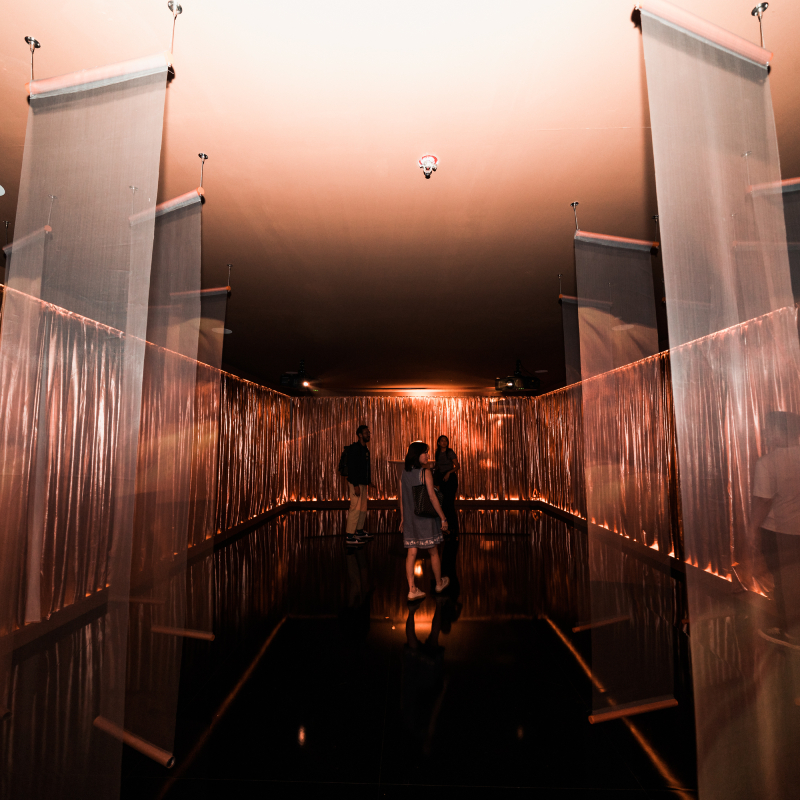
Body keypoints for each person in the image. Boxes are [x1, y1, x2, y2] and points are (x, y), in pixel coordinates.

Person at [749, 411, 800, 649]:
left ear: (782, 432)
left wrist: (752, 530)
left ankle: (791, 634)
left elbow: (763, 502)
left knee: (784, 582)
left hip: (781, 532)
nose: (765, 433)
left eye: (769, 429)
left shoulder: (768, 463)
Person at [399, 441, 449, 601]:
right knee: (433, 551)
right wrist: (443, 518)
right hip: (425, 519)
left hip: (410, 519)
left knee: (411, 553)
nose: (428, 455)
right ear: (417, 455)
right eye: (425, 452)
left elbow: (402, 498)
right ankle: (439, 583)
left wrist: (403, 518)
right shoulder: (425, 472)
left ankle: (412, 589)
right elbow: (432, 498)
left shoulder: (404, 473)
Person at [345, 424, 374, 546]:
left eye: (369, 432)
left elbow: (365, 468)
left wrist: (369, 481)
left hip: (362, 483)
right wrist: (355, 485)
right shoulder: (355, 449)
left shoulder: (365, 449)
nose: (368, 434)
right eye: (366, 433)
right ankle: (350, 536)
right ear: (360, 435)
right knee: (355, 508)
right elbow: (352, 468)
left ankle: (359, 531)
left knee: (362, 508)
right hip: (355, 483)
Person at [433, 435, 460, 535]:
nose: (444, 442)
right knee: (443, 503)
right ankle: (445, 527)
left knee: (450, 503)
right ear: (438, 443)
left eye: (446, 441)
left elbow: (457, 466)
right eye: (442, 441)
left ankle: (453, 528)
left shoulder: (450, 452)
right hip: (442, 479)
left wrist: (448, 473)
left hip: (450, 478)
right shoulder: (437, 452)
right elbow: (437, 467)